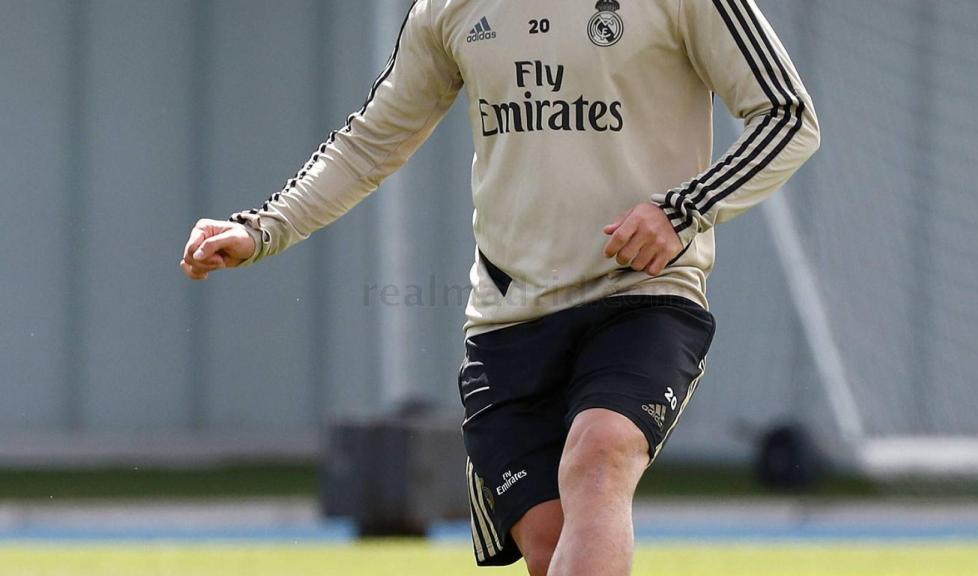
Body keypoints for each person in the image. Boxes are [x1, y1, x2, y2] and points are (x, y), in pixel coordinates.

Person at [180, 0, 819, 573]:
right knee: (547, 545)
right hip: (510, 320)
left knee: (599, 456)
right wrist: (262, 228)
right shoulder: (446, 9)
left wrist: (683, 209)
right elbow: (370, 143)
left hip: (643, 293)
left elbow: (788, 115)